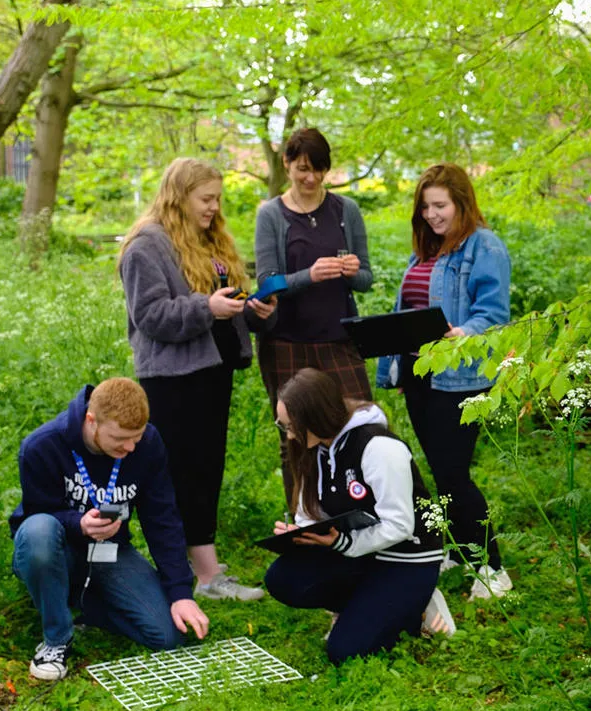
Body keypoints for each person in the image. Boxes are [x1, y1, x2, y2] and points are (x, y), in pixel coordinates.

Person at [118, 157, 277, 602]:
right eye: (206, 199)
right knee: (181, 475)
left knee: (206, 470)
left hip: (213, 372)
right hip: (173, 379)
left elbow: (224, 301)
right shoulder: (145, 247)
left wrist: (253, 310)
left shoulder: (208, 240)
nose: (214, 207)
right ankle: (198, 576)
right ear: (179, 195)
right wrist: (207, 307)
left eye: (218, 199)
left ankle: (201, 570)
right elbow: (150, 317)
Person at [10, 378, 210, 681]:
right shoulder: (43, 446)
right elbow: (35, 518)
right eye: (120, 439)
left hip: (108, 552)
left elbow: (162, 518)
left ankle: (82, 603)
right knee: (39, 532)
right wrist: (78, 524)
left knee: (167, 636)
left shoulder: (149, 444)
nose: (130, 447)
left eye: (137, 438)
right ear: (92, 421)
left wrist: (181, 592)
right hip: (56, 548)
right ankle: (56, 640)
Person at [375, 163, 513, 600]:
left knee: (454, 475)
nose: (432, 215)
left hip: (459, 379)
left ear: (461, 203)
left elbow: (493, 314)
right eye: (425, 207)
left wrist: (464, 334)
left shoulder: (482, 246)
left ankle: (492, 568)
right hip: (421, 380)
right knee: (438, 470)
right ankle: (458, 549)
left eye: (440, 206)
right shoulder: (426, 251)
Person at [263, 368, 454, 664]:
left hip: (405, 559)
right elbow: (309, 513)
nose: (287, 433)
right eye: (282, 424)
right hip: (358, 554)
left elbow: (400, 525)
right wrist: (300, 534)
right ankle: (367, 605)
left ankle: (416, 606)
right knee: (283, 578)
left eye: (290, 425)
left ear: (315, 417)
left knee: (346, 651)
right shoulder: (315, 448)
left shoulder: (379, 448)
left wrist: (342, 543)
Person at [254, 127, 374, 507]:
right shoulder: (271, 214)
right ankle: (305, 521)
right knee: (296, 437)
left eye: (319, 169)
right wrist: (310, 275)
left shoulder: (345, 211)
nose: (311, 178)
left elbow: (366, 280)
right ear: (287, 164)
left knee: (361, 424)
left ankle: (360, 512)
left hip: (338, 338)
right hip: (286, 343)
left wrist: (352, 271)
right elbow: (266, 282)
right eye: (303, 168)